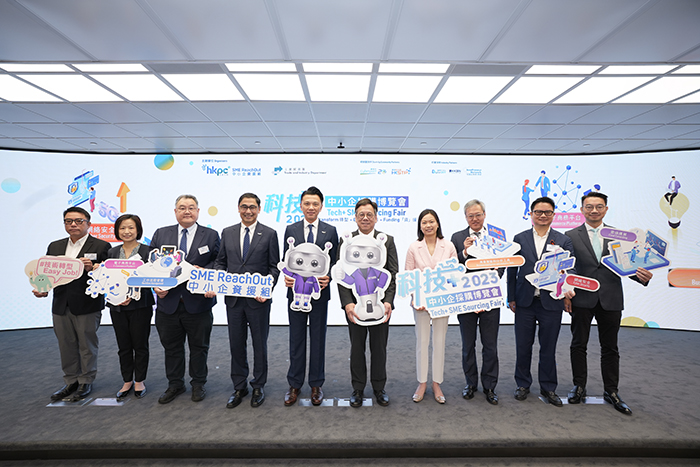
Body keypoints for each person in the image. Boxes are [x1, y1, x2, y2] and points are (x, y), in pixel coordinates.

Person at [565, 192, 652, 415]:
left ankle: (611, 391)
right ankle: (579, 386)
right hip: (582, 297)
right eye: (589, 207)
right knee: (578, 344)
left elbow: (625, 265)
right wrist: (568, 288)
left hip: (610, 298)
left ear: (606, 209)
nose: (594, 210)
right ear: (582, 209)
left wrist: (640, 276)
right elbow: (569, 266)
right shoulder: (570, 235)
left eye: (599, 207)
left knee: (610, 348)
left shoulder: (620, 236)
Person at [33, 206, 110, 402]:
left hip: (87, 304)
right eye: (69, 221)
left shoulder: (101, 246)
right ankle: (71, 381)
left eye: (78, 221)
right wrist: (42, 289)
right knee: (65, 344)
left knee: (87, 344)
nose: (73, 224)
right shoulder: (55, 246)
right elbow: (45, 274)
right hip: (60, 303)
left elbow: (108, 277)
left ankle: (86, 381)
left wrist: (92, 268)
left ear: (88, 223)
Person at [150, 195, 220, 404]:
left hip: (198, 303)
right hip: (167, 302)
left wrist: (205, 273)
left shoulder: (210, 235)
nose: (187, 211)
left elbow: (219, 261)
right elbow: (151, 263)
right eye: (182, 208)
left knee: (199, 346)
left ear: (198, 211)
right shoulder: (162, 234)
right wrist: (155, 286)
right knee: (171, 347)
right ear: (175, 212)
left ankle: (198, 384)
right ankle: (175, 384)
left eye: (191, 207)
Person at [212, 193, 280, 409]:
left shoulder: (269, 234)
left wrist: (267, 287)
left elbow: (273, 268)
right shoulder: (228, 232)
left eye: (252, 207)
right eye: (244, 207)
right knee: (236, 344)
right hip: (233, 301)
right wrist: (216, 278)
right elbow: (221, 262)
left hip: (258, 301)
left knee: (259, 344)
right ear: (238, 208)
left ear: (259, 209)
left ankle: (258, 385)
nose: (248, 211)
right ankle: (239, 386)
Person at [507, 196, 575, 407]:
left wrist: (567, 294)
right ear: (531, 214)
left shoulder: (563, 240)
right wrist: (511, 297)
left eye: (547, 212)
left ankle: (548, 387)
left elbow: (570, 270)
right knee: (523, 345)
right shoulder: (519, 238)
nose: (543, 215)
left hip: (551, 302)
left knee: (548, 347)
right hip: (525, 301)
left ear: (554, 215)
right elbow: (512, 269)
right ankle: (523, 384)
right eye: (538, 212)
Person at [338, 198, 398, 408]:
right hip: (356, 307)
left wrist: (389, 301)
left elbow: (393, 273)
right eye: (361, 214)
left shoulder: (386, 240)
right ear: (355, 217)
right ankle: (358, 388)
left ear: (376, 217)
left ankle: (379, 388)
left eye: (369, 214)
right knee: (357, 348)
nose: (365, 218)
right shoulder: (347, 241)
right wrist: (347, 303)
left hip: (381, 306)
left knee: (379, 348)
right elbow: (342, 274)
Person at [281, 187, 338, 407]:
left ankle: (316, 384)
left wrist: (329, 277)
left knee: (318, 338)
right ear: (301, 205)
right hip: (295, 293)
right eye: (307, 203)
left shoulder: (330, 231)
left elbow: (335, 262)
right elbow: (286, 259)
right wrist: (287, 278)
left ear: (321, 206)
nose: (311, 207)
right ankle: (294, 384)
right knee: (296, 338)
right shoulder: (291, 229)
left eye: (315, 203)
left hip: (319, 294)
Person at [450, 200, 503, 405]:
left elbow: (503, 262)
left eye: (478, 215)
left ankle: (490, 386)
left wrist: (495, 273)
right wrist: (463, 252)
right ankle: (470, 383)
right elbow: (453, 266)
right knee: (468, 344)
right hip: (466, 298)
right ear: (465, 217)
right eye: (470, 216)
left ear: (485, 214)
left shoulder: (496, 236)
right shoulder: (457, 237)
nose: (475, 219)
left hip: (489, 296)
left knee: (490, 345)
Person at [406, 209, 456, 404]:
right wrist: (415, 297)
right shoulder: (414, 247)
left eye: (431, 221)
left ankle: (436, 383)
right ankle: (422, 382)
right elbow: (408, 274)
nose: (428, 225)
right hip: (421, 302)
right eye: (424, 222)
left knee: (439, 342)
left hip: (442, 301)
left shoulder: (448, 245)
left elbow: (455, 274)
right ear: (420, 226)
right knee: (422, 342)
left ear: (437, 224)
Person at [105, 214, 154, 400]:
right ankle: (127, 380)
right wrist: (117, 296)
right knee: (123, 345)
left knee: (140, 344)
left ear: (138, 230)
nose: (127, 231)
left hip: (140, 304)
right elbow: (107, 278)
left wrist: (131, 294)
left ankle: (140, 380)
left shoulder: (148, 252)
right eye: (123, 228)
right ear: (117, 231)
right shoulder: (111, 252)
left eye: (131, 227)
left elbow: (151, 277)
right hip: (117, 305)